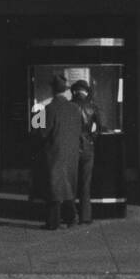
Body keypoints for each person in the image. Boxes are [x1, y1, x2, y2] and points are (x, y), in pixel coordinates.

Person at [41, 74, 85, 230]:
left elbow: (42, 132)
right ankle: (71, 218)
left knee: (54, 187)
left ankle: (53, 222)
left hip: (54, 152)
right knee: (67, 185)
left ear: (53, 90)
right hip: (71, 153)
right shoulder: (74, 108)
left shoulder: (48, 108)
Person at [71, 79, 103, 225]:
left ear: (74, 91)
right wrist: (91, 138)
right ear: (86, 91)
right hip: (88, 147)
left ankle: (71, 215)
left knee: (71, 182)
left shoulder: (70, 106)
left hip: (71, 147)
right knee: (85, 183)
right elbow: (100, 128)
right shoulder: (92, 107)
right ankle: (85, 216)